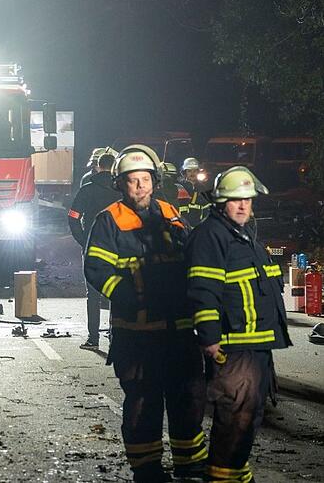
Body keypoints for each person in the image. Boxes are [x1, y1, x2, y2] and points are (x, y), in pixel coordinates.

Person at [84, 145, 206, 482]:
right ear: (120, 185)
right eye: (132, 181)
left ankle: (190, 465)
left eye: (145, 180)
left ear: (154, 181)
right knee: (143, 405)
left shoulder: (171, 214)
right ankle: (147, 469)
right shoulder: (108, 221)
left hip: (179, 333)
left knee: (189, 400)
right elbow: (95, 269)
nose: (140, 187)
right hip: (135, 336)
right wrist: (130, 295)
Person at [185, 166, 291, 483]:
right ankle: (223, 476)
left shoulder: (242, 236)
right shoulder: (211, 237)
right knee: (236, 416)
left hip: (254, 344)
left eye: (247, 199)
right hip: (233, 347)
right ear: (220, 203)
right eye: (235, 200)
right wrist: (210, 338)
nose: (243, 206)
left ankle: (233, 474)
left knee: (247, 416)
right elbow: (203, 290)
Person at [68, 153, 120, 349]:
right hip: (118, 248)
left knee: (93, 294)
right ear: (114, 167)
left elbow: (73, 217)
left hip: (93, 248)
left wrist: (84, 241)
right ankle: (115, 337)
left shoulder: (87, 190)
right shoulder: (122, 190)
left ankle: (93, 339)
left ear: (98, 167)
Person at [178, 157, 211, 227]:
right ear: (184, 173)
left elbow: (207, 208)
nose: (192, 173)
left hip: (198, 225)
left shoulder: (202, 188)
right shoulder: (179, 186)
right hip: (182, 225)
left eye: (194, 171)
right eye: (189, 171)